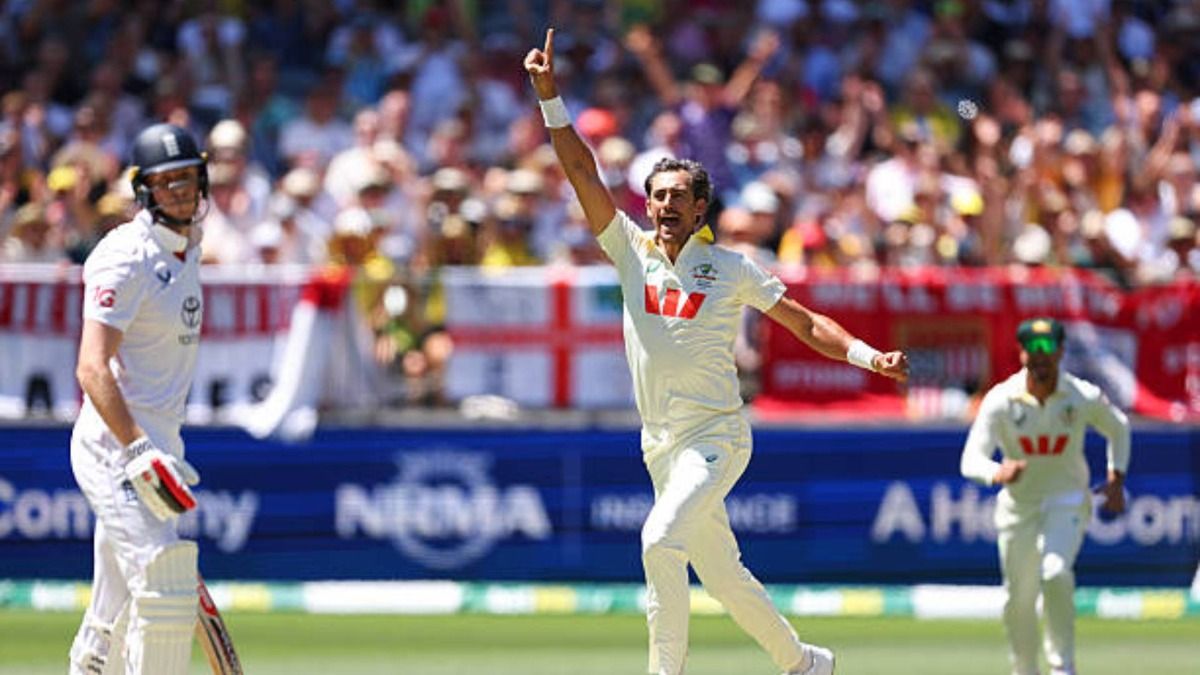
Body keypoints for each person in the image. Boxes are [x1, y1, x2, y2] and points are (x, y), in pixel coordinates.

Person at [525, 30, 909, 675]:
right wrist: (550, 98)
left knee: (657, 541)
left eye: (679, 196)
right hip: (660, 444)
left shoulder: (731, 267)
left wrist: (871, 359)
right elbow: (581, 171)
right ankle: (806, 662)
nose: (666, 205)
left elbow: (807, 323)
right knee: (723, 574)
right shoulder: (629, 250)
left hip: (717, 436)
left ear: (700, 207)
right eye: (658, 196)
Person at [69, 123, 210, 674]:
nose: (179, 190)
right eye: (165, 181)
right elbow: (91, 365)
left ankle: (92, 659)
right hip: (116, 451)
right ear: (144, 190)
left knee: (117, 610)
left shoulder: (187, 248)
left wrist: (157, 449)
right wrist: (135, 449)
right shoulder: (125, 256)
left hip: (159, 449)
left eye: (188, 179)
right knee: (163, 582)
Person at [960, 317, 1131, 675]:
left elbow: (1119, 428)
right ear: (1021, 353)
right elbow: (970, 459)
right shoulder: (1001, 399)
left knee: (1054, 572)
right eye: (1031, 349)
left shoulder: (1081, 396)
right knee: (1018, 601)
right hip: (1018, 507)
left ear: (1060, 352)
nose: (1040, 356)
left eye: (1047, 348)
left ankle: (1062, 667)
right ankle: (1024, 670)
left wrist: (1116, 477)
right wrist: (996, 472)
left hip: (1066, 499)